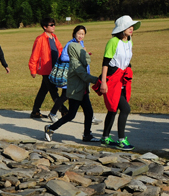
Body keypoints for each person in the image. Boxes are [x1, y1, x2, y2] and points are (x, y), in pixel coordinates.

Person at [44, 25, 100, 143]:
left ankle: (87, 134)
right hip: (75, 91)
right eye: (78, 33)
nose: (80, 35)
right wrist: (98, 80)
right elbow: (83, 75)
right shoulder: (73, 54)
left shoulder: (80, 46)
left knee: (89, 112)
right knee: (70, 115)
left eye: (83, 34)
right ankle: (50, 128)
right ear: (74, 34)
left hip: (82, 89)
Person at [93, 15, 139, 151]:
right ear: (121, 29)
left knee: (112, 110)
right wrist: (103, 83)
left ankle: (105, 137)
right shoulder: (113, 42)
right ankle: (121, 140)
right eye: (128, 27)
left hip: (122, 79)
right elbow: (105, 63)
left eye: (132, 26)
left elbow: (127, 60)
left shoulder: (130, 41)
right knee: (125, 108)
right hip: (112, 79)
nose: (131, 29)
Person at [28, 17, 67, 119]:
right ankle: (63, 110)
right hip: (46, 69)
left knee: (43, 90)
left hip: (55, 68)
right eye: (51, 25)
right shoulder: (40, 39)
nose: (53, 26)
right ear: (45, 27)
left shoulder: (54, 37)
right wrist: (33, 69)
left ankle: (35, 111)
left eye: (54, 24)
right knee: (53, 91)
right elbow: (35, 55)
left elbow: (60, 51)